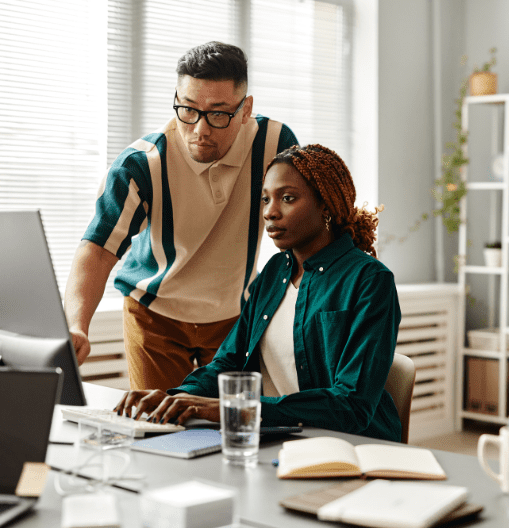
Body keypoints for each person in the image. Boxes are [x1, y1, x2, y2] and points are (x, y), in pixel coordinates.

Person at [115, 144, 402, 442]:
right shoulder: (276, 271)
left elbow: (351, 406)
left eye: (287, 199)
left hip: (350, 446)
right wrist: (175, 398)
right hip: (278, 438)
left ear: (326, 206)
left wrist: (236, 408)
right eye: (266, 199)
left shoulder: (370, 280)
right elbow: (229, 363)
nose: (270, 212)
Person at [64, 42, 298, 391]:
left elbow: (303, 225)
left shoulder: (274, 142)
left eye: (219, 114)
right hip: (154, 317)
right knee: (159, 428)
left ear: (246, 108)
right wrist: (76, 325)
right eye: (187, 110)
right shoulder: (141, 163)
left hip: (234, 317)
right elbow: (97, 250)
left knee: (228, 426)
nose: (200, 130)